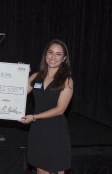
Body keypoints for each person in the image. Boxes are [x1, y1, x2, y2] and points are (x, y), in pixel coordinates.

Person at [19, 39, 73, 174]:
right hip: (38, 131)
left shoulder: (66, 80)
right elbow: (18, 92)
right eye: (50, 52)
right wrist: (19, 73)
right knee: (40, 169)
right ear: (45, 55)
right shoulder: (37, 76)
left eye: (58, 54)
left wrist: (34, 117)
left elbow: (60, 109)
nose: (53, 57)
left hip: (56, 132)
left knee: (57, 169)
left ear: (64, 58)